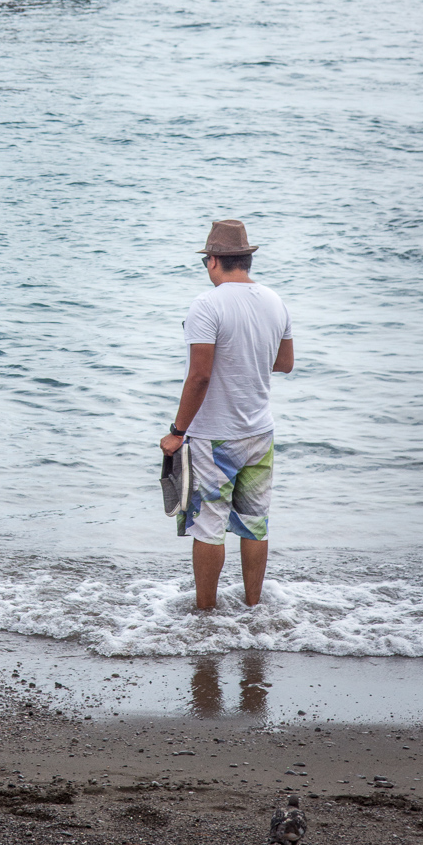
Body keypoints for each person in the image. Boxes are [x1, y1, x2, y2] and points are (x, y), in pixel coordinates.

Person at [159, 219, 293, 611]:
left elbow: (199, 376)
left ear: (213, 260)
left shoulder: (207, 304)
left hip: (214, 435)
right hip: (260, 431)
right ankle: (254, 608)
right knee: (254, 523)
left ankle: (206, 615)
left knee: (208, 526)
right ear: (246, 259)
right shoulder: (275, 300)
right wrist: (246, 359)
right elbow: (284, 363)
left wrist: (177, 431)